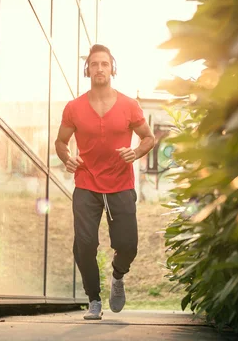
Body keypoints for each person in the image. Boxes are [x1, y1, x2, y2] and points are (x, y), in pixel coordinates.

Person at [54, 44, 155, 320]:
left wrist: (135, 152)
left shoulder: (129, 105)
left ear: (112, 69)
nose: (99, 68)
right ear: (87, 69)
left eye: (104, 64)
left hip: (121, 183)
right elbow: (60, 142)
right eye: (94, 64)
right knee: (84, 244)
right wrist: (67, 158)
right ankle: (94, 299)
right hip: (86, 183)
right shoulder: (74, 107)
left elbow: (149, 138)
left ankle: (118, 276)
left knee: (128, 245)